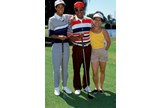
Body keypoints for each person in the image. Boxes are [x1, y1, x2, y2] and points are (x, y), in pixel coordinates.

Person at [48, 0, 72, 96]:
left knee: (65, 67)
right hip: (56, 46)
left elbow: (75, 16)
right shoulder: (52, 19)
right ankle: (56, 87)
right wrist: (59, 37)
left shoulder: (66, 17)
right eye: (58, 7)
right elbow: (50, 34)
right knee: (56, 68)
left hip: (66, 45)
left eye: (62, 7)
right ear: (55, 8)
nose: (60, 8)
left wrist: (72, 17)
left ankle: (65, 86)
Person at [69, 1, 92, 95]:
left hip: (87, 47)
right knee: (76, 68)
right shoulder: (71, 21)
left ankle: (86, 85)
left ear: (84, 10)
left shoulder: (90, 20)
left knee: (86, 67)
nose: (79, 11)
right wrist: (78, 37)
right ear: (75, 10)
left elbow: (95, 30)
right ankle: (77, 87)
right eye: (77, 10)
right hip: (77, 47)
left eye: (81, 9)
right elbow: (70, 37)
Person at [89, 11, 111, 94]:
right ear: (93, 21)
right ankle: (96, 87)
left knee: (102, 71)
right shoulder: (89, 30)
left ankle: (101, 87)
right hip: (93, 52)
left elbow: (108, 42)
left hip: (102, 52)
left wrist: (105, 50)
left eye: (99, 20)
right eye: (95, 19)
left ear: (101, 21)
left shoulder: (103, 31)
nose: (97, 21)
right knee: (94, 72)